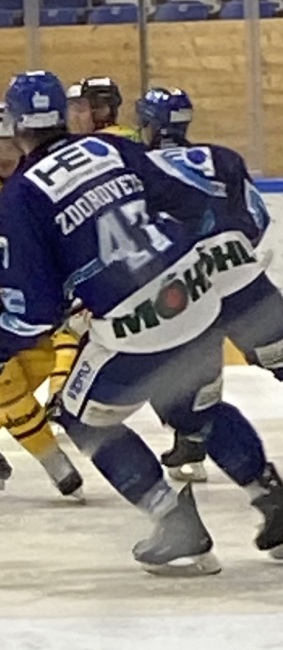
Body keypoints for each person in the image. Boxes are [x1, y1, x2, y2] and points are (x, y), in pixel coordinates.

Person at [0, 70, 283, 575]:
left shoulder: (21, 197)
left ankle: (176, 525)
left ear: (17, 126)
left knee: (81, 416)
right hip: (197, 291)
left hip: (139, 320)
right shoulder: (107, 149)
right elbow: (185, 194)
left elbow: (34, 309)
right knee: (189, 400)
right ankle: (277, 503)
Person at [135, 86, 283, 483]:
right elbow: (257, 216)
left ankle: (191, 445)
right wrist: (233, 254)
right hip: (241, 272)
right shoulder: (223, 158)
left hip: (184, 284)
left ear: (149, 125)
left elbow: (139, 235)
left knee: (186, 364)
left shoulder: (142, 169)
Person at [0, 103, 84, 500]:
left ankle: (61, 402)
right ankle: (56, 465)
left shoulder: (39, 186)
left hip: (45, 304)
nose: (3, 154)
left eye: (7, 143)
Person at [48, 77, 141, 420]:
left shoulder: (97, 147)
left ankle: (64, 399)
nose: (73, 115)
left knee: (73, 327)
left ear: (100, 109)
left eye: (79, 108)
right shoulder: (126, 140)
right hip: (135, 257)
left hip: (110, 261)